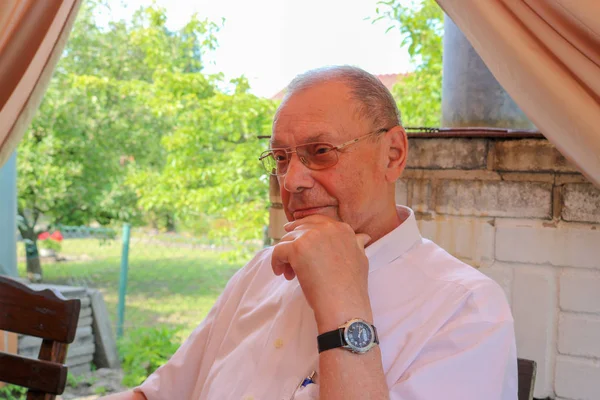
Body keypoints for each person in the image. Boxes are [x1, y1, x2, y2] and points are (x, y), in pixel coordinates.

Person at [104, 66, 517, 400]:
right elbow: (158, 394)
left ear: (393, 155)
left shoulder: (466, 308)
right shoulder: (262, 271)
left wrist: (343, 300)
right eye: (281, 158)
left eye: (320, 152)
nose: (292, 181)